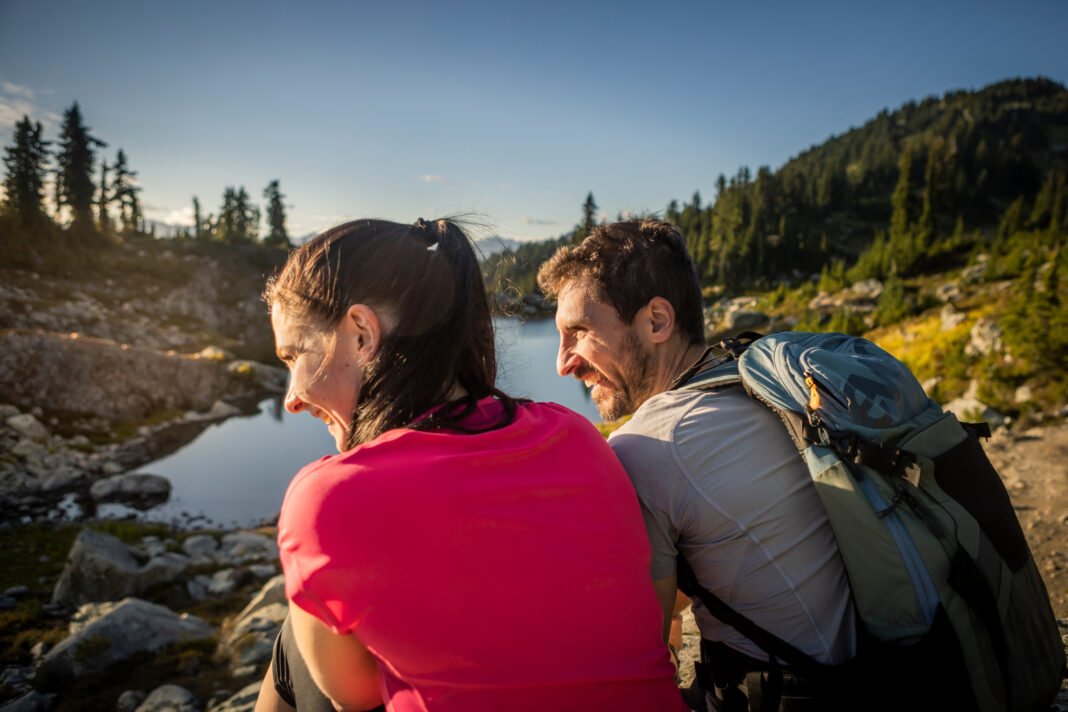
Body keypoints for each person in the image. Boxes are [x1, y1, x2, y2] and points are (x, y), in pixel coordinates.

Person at [254, 218, 687, 712]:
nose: (292, 398)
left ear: (360, 334)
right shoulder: (577, 435)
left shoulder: (327, 495)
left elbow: (350, 695)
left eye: (294, 356)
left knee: (297, 640)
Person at [536, 219, 857, 711]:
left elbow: (638, 660)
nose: (563, 363)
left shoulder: (649, 447)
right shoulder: (752, 385)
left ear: (657, 321)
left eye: (578, 331)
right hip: (883, 670)